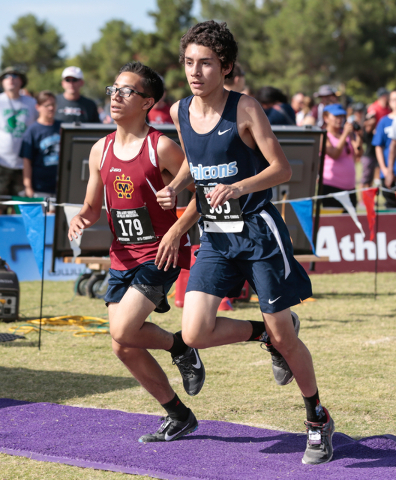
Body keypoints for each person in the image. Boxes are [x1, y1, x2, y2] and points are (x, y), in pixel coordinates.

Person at [156, 20, 334, 465]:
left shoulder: (246, 108)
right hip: (215, 235)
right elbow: (199, 170)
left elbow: (283, 169)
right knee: (194, 331)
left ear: (227, 67)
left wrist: (240, 185)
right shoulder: (180, 111)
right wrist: (178, 199)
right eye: (189, 63)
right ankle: (268, 336)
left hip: (256, 231)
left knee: (284, 333)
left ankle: (316, 418)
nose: (195, 72)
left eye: (207, 64)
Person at [68, 61, 205, 443]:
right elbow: (93, 207)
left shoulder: (161, 146)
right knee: (122, 346)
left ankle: (180, 346)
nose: (115, 95)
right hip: (122, 256)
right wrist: (80, 217)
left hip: (160, 253)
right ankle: (178, 414)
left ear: (146, 102)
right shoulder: (101, 149)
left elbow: (202, 193)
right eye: (113, 88)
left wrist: (177, 230)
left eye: (126, 91)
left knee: (123, 329)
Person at [0, 66, 37, 203]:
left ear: (21, 81)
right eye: (6, 76)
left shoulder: (31, 103)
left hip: (24, 165)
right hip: (2, 163)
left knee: (21, 206)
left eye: (15, 76)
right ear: (2, 82)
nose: (10, 79)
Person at [20, 91, 61, 199]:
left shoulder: (62, 127)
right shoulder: (32, 131)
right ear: (38, 107)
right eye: (47, 105)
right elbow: (26, 162)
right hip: (40, 187)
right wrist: (28, 186)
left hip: (60, 186)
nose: (51, 108)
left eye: (53, 105)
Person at [321, 104, 362, 209]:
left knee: (351, 223)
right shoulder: (324, 135)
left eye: (342, 116)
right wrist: (345, 135)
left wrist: (358, 135)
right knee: (335, 222)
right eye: (336, 116)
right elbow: (334, 154)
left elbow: (358, 153)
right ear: (326, 118)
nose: (340, 119)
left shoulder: (347, 134)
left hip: (350, 188)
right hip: (332, 186)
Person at [373, 89, 396, 208]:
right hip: (389, 172)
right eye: (394, 100)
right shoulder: (384, 121)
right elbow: (379, 146)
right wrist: (385, 169)